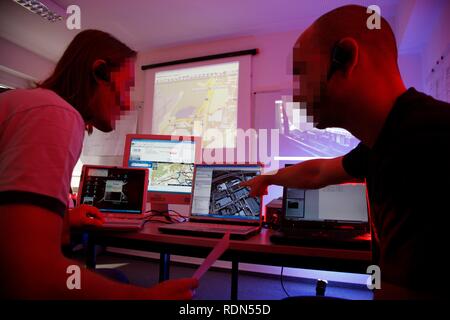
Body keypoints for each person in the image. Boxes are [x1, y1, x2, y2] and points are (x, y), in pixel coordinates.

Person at [242, 5, 450, 299]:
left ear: (346, 57)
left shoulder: (425, 145)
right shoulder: (384, 141)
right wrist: (270, 179)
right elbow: (318, 172)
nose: (297, 93)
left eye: (302, 73)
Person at [0, 29, 198, 299]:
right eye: (127, 87)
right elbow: (31, 274)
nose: (127, 104)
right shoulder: (55, 114)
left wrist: (66, 218)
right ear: (99, 72)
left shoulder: (27, 104)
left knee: (113, 276)